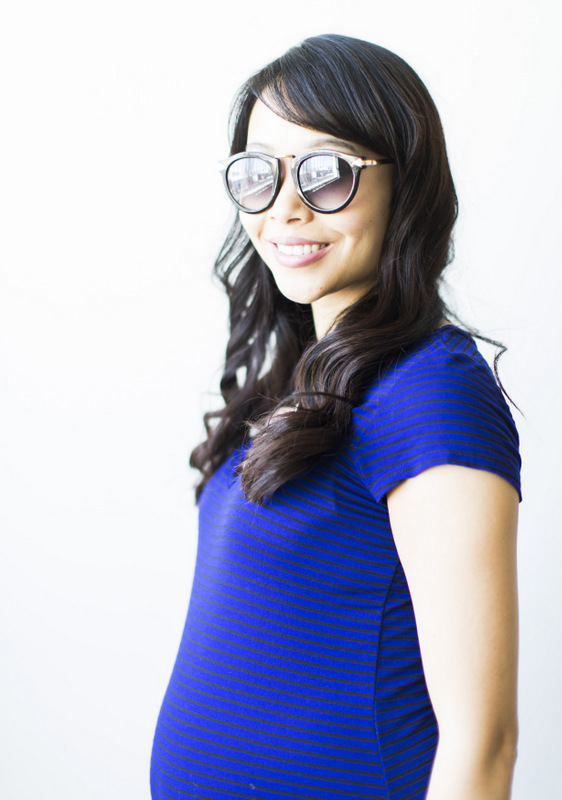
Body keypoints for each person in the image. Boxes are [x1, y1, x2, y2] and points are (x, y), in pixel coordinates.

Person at [150, 33, 521, 800]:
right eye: (260, 174)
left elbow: (483, 742)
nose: (285, 208)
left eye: (326, 173)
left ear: (404, 181)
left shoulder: (430, 392)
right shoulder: (306, 382)